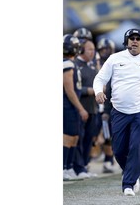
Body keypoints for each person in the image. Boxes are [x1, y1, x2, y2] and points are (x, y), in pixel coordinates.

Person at [93, 28, 140, 196]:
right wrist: (99, 91)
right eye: (131, 38)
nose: (134, 41)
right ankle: (132, 172)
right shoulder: (114, 59)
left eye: (138, 38)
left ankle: (128, 183)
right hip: (119, 111)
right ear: (126, 41)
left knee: (136, 147)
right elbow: (100, 79)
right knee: (118, 150)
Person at [72, 28, 99, 178]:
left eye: (93, 49)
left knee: (90, 138)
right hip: (80, 107)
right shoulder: (75, 64)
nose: (92, 52)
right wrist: (89, 91)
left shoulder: (93, 66)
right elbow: (72, 88)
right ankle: (78, 167)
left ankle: (85, 165)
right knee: (79, 138)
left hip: (92, 108)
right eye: (89, 49)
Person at [63, 34, 89, 181]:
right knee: (67, 137)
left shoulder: (70, 63)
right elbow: (69, 90)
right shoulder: (67, 64)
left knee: (74, 137)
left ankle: (68, 166)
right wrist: (80, 108)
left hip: (71, 105)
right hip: (68, 105)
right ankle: (63, 167)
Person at [95, 38, 116, 173]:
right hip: (96, 103)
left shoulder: (115, 62)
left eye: (107, 49)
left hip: (109, 102)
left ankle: (109, 159)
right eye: (103, 49)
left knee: (108, 134)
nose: (105, 52)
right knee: (95, 134)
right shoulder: (96, 63)